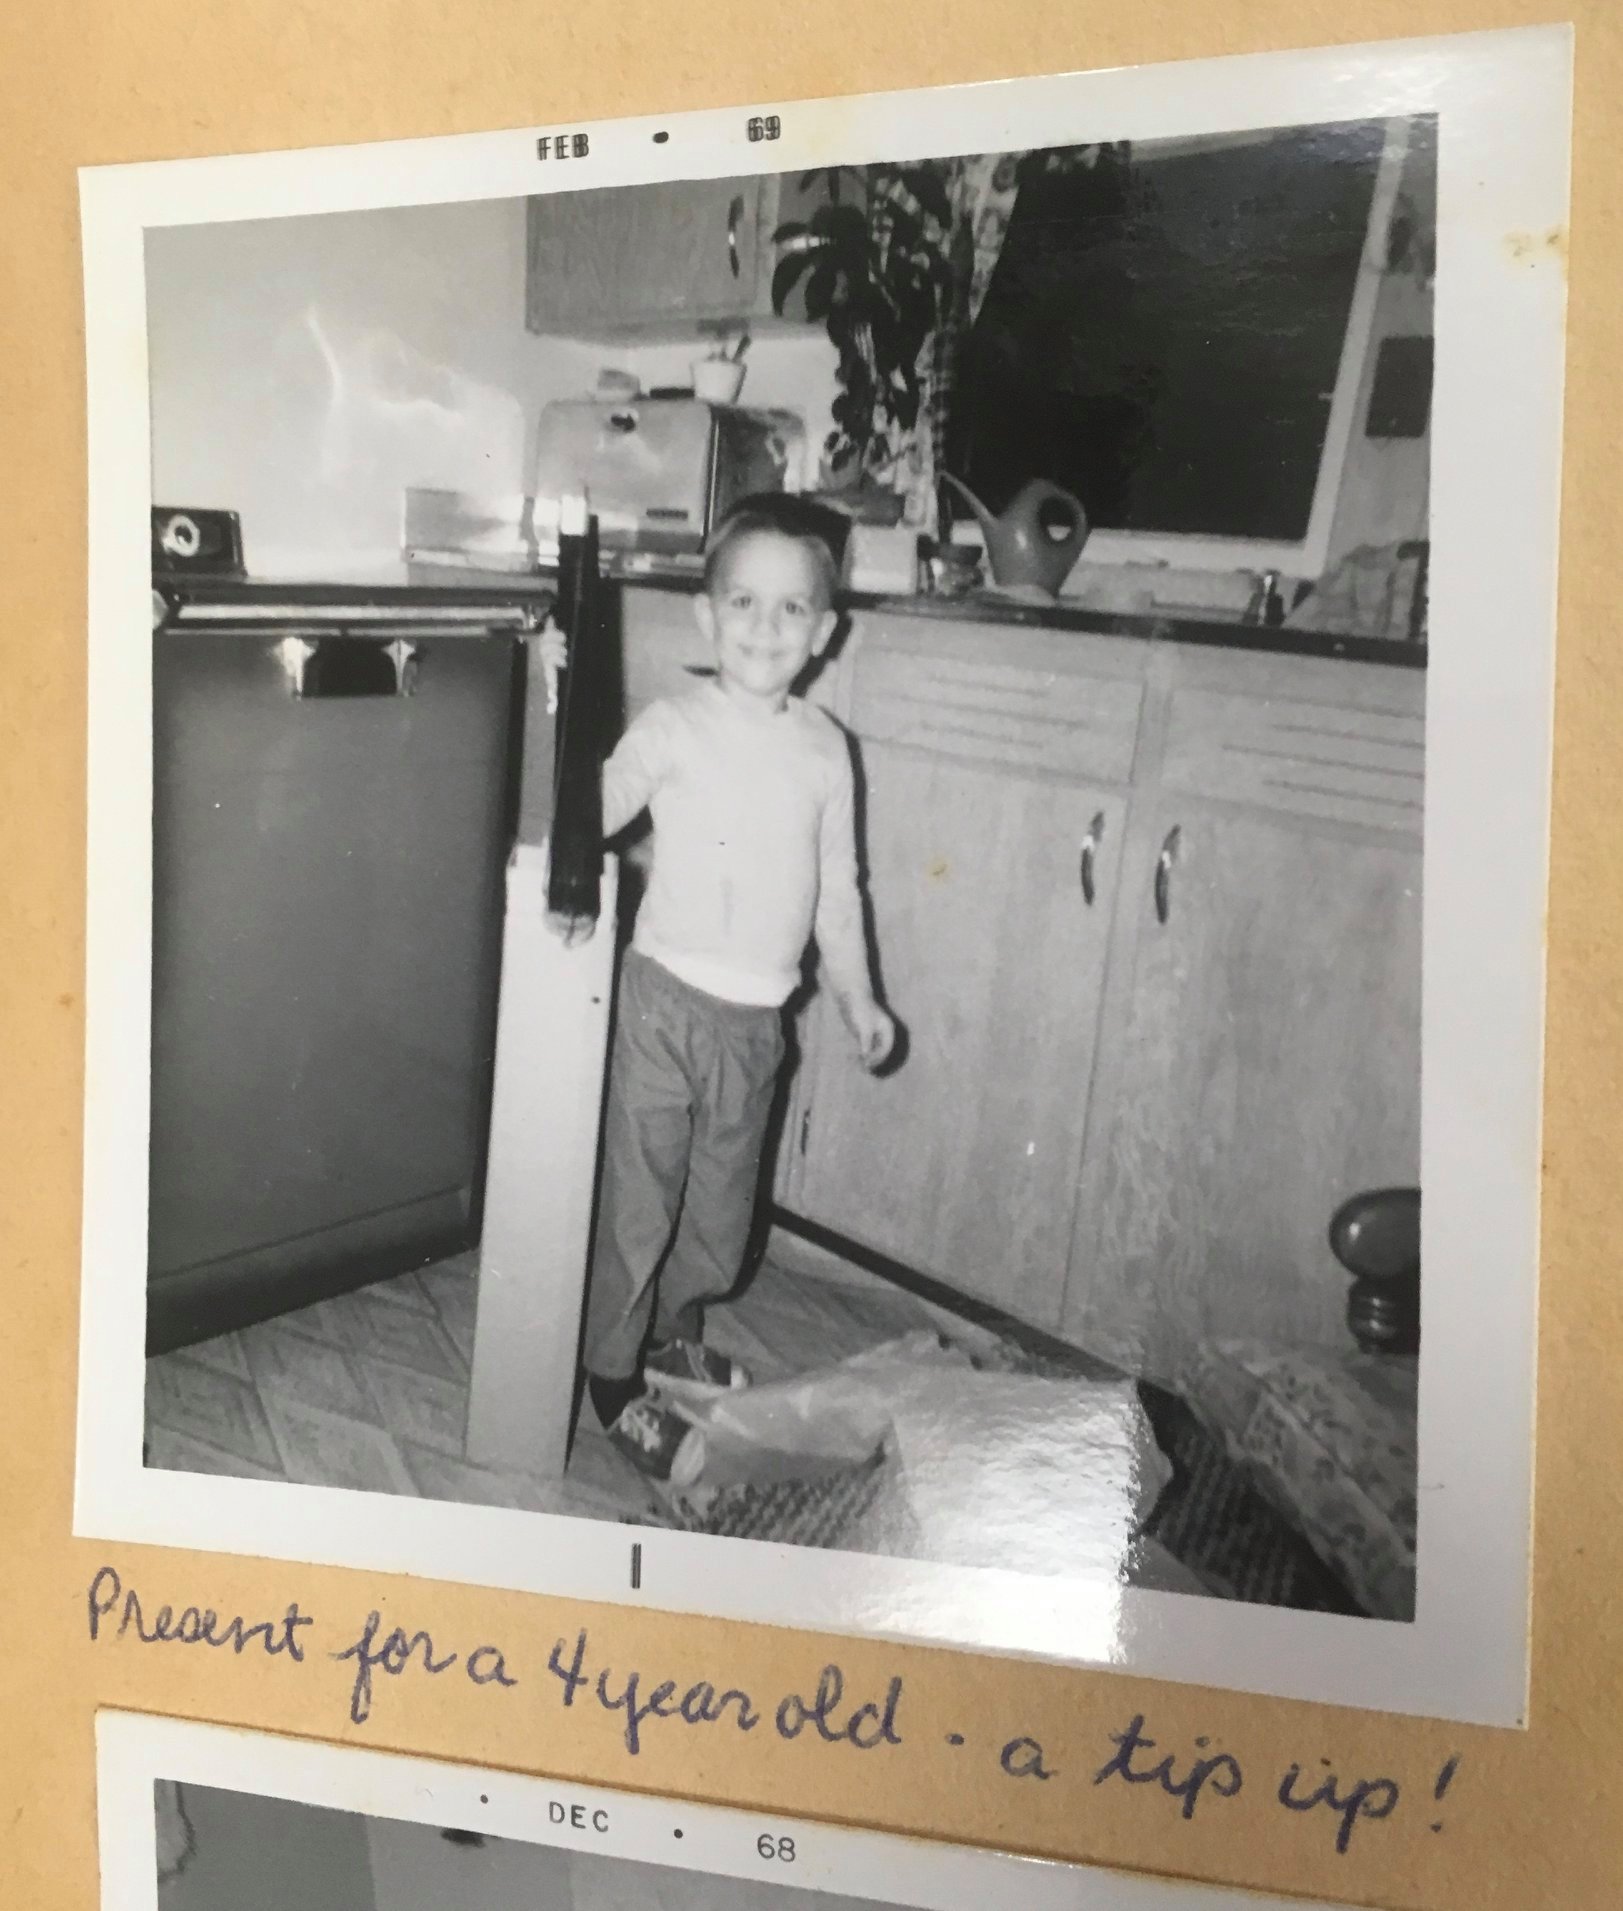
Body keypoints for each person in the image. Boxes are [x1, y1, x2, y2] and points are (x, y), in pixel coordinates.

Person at [541, 494, 895, 1485]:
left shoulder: (829, 750)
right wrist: (569, 846)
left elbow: (839, 890)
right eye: (744, 603)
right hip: (660, 1005)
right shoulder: (675, 723)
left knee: (720, 1227)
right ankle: (613, 1379)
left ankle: (669, 1334)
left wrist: (861, 999)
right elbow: (596, 804)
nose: (765, 629)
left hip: (755, 1026)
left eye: (792, 610)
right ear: (706, 614)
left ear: (825, 633)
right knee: (639, 1207)